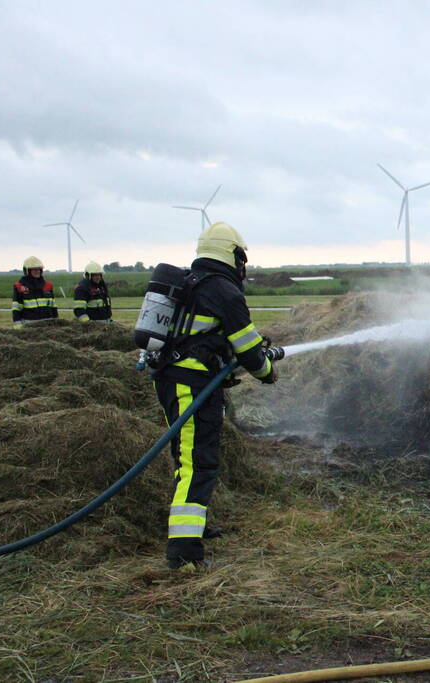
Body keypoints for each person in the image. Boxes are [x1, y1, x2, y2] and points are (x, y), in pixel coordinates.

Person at [151, 222, 278, 569]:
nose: (243, 264)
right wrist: (268, 371)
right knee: (197, 463)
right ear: (231, 252)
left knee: (187, 457)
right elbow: (249, 350)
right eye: (241, 256)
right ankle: (184, 553)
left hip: (173, 380)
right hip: (191, 385)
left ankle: (195, 528)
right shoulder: (224, 290)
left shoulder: (194, 283)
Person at [12, 256, 58, 328]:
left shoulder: (48, 286)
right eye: (34, 269)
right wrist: (18, 329)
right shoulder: (20, 287)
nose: (38, 271)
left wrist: (57, 323)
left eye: (39, 269)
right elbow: (16, 309)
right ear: (27, 271)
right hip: (29, 327)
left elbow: (53, 307)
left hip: (48, 326)